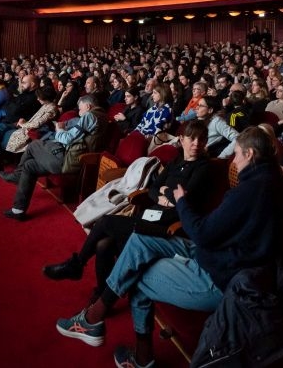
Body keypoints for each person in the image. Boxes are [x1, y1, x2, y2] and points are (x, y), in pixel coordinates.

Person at [55, 126, 283, 368]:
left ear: (249, 154)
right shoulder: (269, 181)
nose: (235, 160)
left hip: (222, 275)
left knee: (137, 273)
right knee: (139, 240)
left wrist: (181, 200)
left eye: (237, 154)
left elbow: (202, 232)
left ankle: (123, 343)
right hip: (215, 252)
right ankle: (94, 321)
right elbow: (202, 222)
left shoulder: (251, 189)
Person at [43, 120, 212, 301]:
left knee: (106, 221)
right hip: (152, 215)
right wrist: (163, 194)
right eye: (192, 138)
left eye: (201, 140)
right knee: (103, 244)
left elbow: (185, 198)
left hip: (171, 223)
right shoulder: (175, 161)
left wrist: (166, 192)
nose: (196, 144)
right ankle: (101, 292)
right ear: (181, 139)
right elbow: (154, 188)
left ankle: (77, 265)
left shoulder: (204, 167)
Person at [1, 95, 108, 221]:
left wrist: (59, 129)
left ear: (88, 106)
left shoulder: (90, 116)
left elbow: (67, 139)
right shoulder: (102, 116)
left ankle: (16, 176)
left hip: (69, 161)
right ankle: (18, 210)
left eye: (80, 109)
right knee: (29, 166)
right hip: (72, 158)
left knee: (34, 145)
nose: (79, 112)